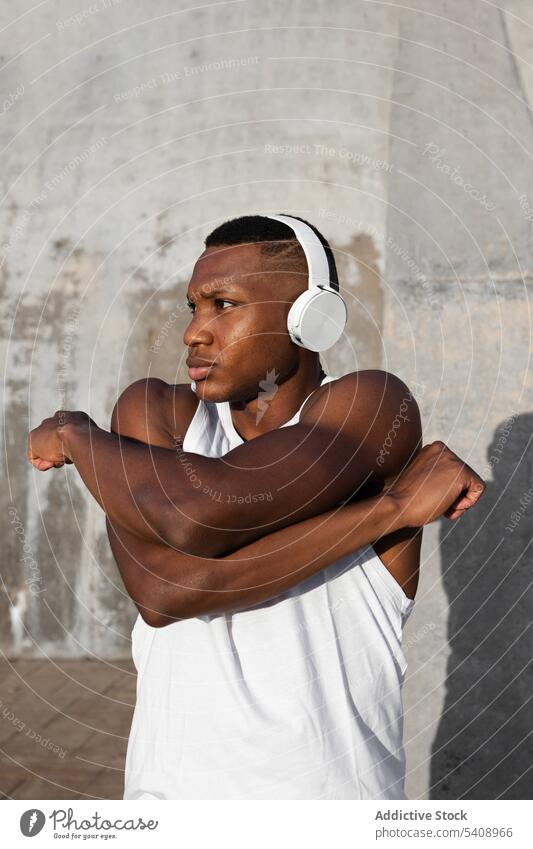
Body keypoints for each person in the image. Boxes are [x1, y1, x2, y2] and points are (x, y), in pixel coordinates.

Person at [27, 213, 485, 800]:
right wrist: (390, 511)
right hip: (168, 805)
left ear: (308, 317)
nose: (195, 331)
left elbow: (199, 512)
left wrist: (77, 438)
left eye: (223, 305)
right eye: (194, 306)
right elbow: (162, 594)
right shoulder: (154, 413)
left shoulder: (371, 407)